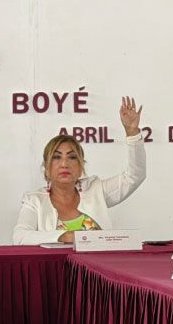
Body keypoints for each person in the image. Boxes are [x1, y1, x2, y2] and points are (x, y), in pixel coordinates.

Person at [13, 97, 147, 244]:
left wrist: (133, 133)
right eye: (57, 157)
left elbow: (134, 176)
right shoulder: (34, 201)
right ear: (46, 167)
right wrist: (63, 236)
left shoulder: (96, 189)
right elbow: (20, 237)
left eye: (72, 157)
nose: (64, 164)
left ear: (81, 166)